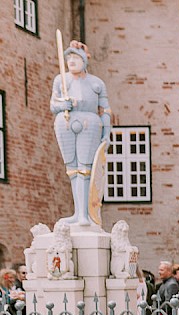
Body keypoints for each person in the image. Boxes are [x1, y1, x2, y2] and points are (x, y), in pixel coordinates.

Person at [50, 40, 111, 227]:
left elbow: (105, 110)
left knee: (85, 168)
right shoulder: (61, 80)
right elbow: (53, 105)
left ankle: (85, 214)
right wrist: (63, 105)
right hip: (66, 123)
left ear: (84, 60)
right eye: (69, 57)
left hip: (89, 123)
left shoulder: (96, 83)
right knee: (72, 169)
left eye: (75, 57)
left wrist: (107, 132)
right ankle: (77, 213)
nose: (71, 61)